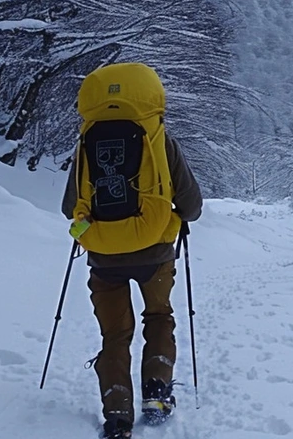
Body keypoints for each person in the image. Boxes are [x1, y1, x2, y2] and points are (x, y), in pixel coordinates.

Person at [60, 63, 202, 439]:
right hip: (155, 252)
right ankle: (157, 392)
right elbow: (191, 202)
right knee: (158, 317)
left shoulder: (86, 142)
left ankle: (117, 415)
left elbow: (69, 206)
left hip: (103, 256)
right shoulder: (159, 139)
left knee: (115, 336)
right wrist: (177, 215)